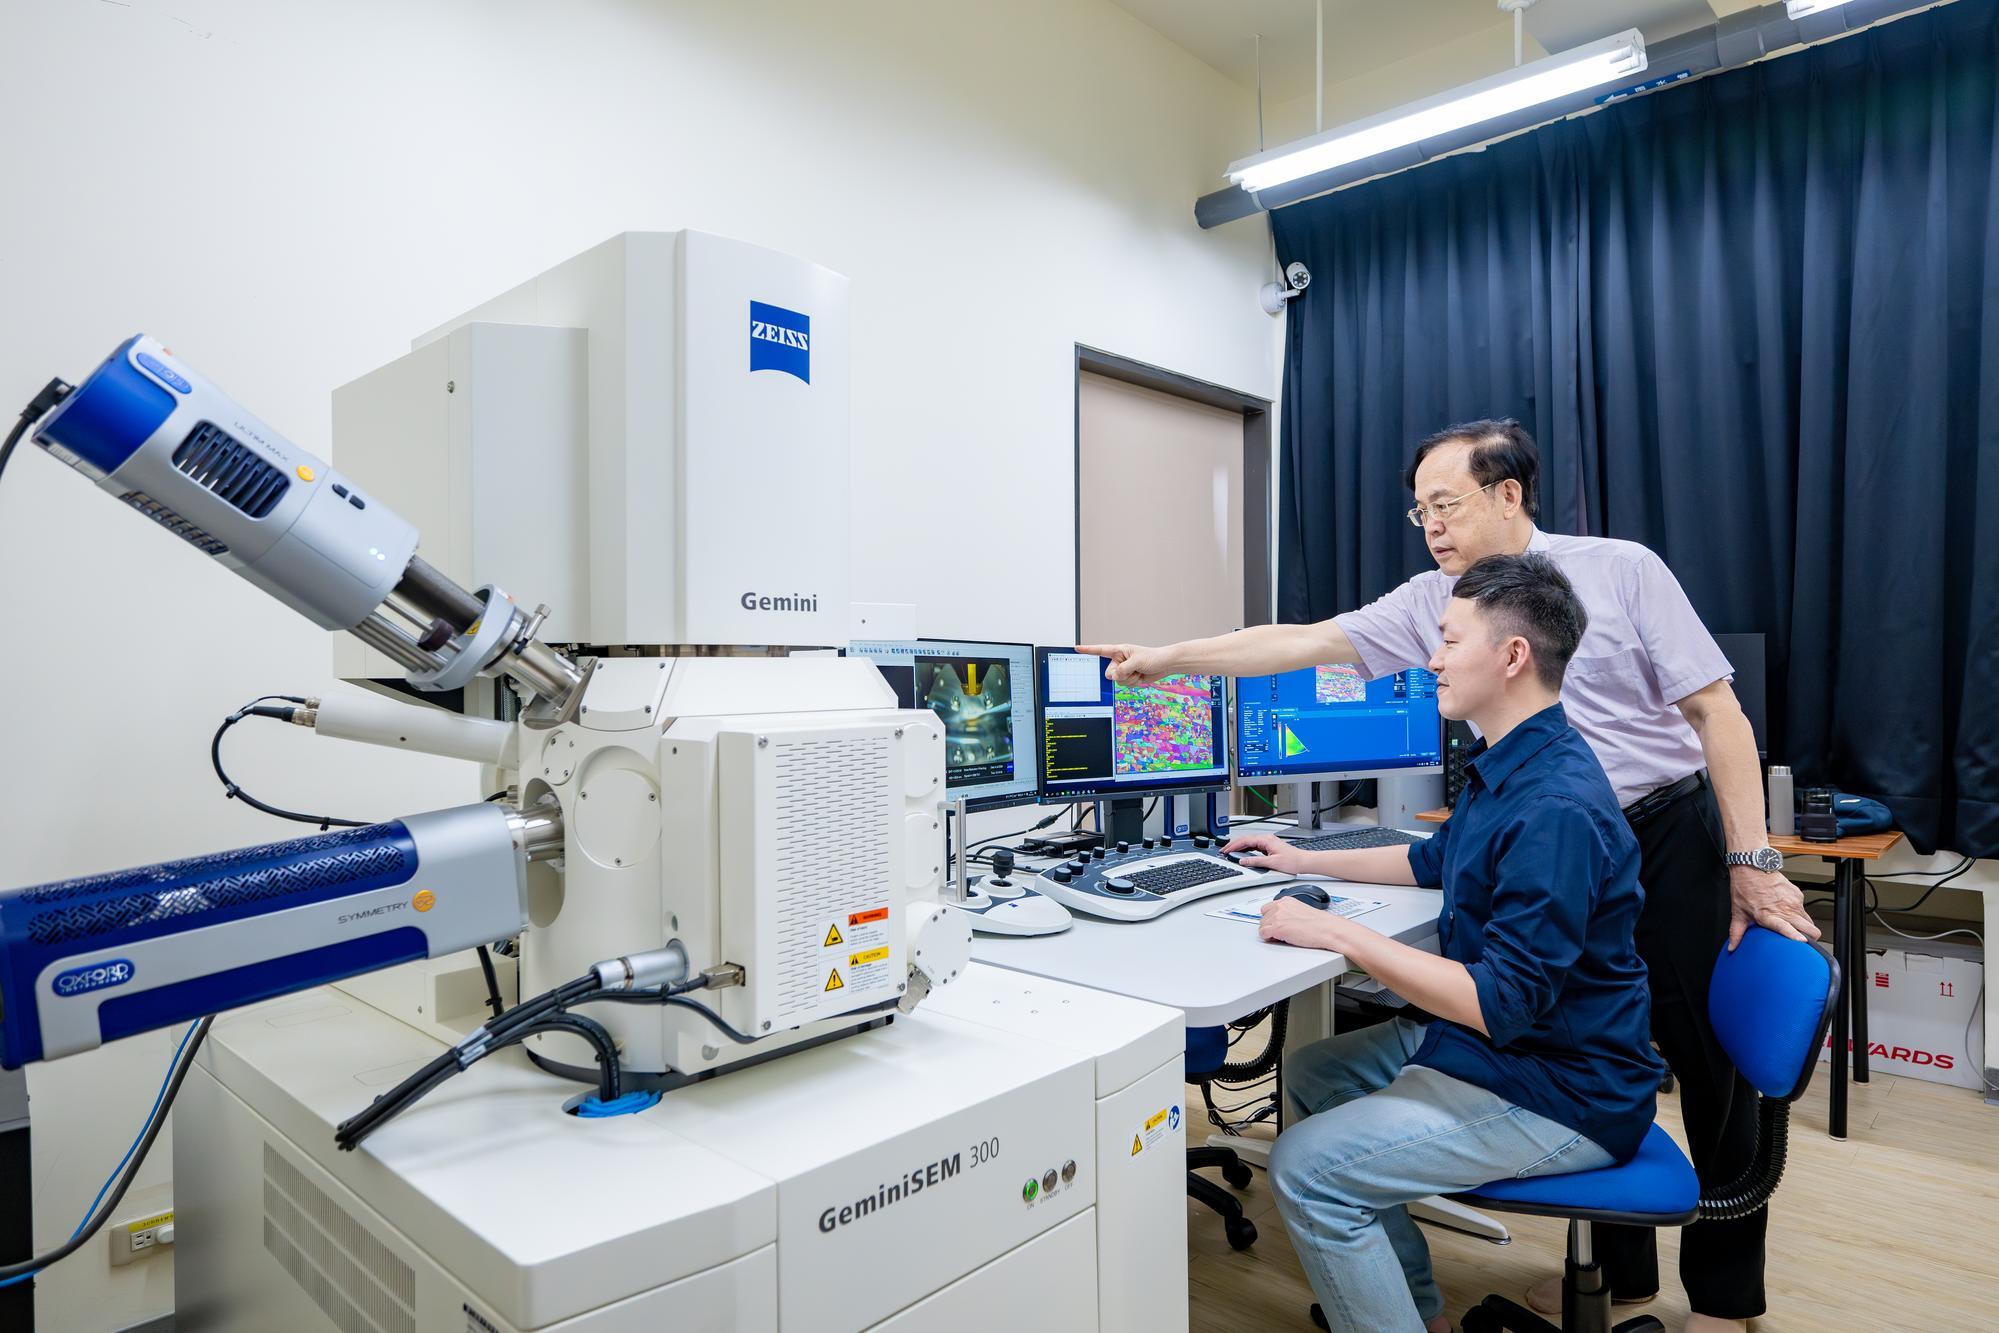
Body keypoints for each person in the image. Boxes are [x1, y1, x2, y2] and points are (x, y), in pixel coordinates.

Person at [1079, 420, 1816, 1330]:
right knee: (1568, 1022)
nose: (1429, 526)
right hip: (1548, 838)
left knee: (1706, 1072)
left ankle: (1721, 1301)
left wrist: (1751, 862)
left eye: (1446, 504)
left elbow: (1716, 713)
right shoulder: (1450, 618)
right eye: (1417, 509)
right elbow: (1306, 642)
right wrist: (1168, 660)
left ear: (1508, 495)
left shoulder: (1618, 572)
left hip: (1653, 831)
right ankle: (1617, 1277)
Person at [1244, 552, 1661, 1333]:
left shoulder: (1554, 807)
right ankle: (1415, 1311)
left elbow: (1501, 1002)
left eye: (1447, 640)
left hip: (1557, 1087)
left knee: (1305, 1169)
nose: (1429, 659)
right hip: (1518, 1050)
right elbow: (1430, 859)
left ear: (1511, 656)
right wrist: (1304, 859)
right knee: (1311, 1072)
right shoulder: (1511, 761)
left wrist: (1336, 931)